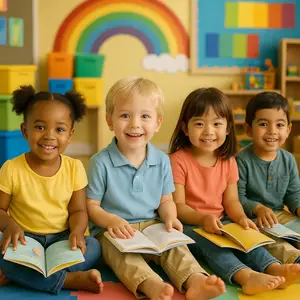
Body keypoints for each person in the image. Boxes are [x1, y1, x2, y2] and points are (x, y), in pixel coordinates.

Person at [87, 77, 226, 300]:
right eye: (125, 115)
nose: (135, 124)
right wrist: (111, 222)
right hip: (114, 231)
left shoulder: (162, 161)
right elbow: (91, 207)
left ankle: (196, 281)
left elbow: (166, 200)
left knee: (176, 248)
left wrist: (171, 219)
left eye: (145, 116)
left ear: (157, 122)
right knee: (121, 255)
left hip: (153, 226)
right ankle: (150, 285)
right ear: (109, 121)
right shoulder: (99, 162)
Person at [169, 87, 300, 295]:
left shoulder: (228, 161)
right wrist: (203, 219)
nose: (209, 131)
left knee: (249, 239)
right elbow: (178, 207)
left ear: (228, 128)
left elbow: (232, 201)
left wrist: (241, 218)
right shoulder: (177, 161)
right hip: (189, 226)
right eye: (200, 124)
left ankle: (274, 267)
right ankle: (246, 276)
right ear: (185, 128)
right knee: (215, 248)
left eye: (217, 124)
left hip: (223, 222)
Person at [0, 86, 102, 294]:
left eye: (60, 129)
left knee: (94, 246)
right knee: (3, 253)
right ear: (25, 131)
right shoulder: (11, 168)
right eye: (39, 127)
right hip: (25, 239)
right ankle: (69, 280)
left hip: (62, 239)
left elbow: (78, 211)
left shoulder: (74, 168)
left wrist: (76, 232)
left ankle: (30, 277)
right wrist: (10, 225)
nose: (49, 136)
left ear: (70, 134)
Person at [236, 91, 300, 264]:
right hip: (254, 218)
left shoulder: (288, 159)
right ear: (249, 129)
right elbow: (237, 198)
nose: (272, 131)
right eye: (263, 124)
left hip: (280, 214)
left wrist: (298, 208)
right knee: (268, 240)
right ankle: (295, 259)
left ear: (288, 130)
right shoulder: (242, 160)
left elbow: (293, 194)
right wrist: (257, 208)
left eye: (279, 125)